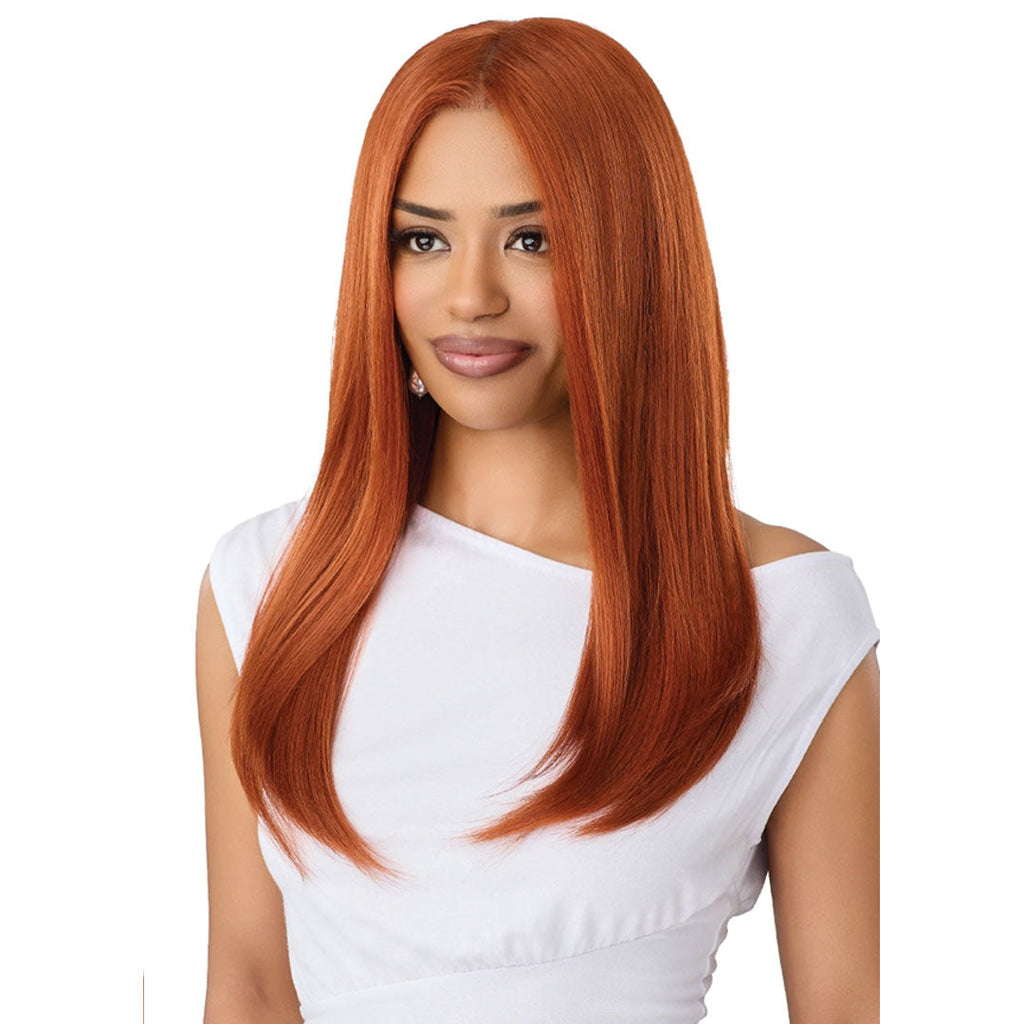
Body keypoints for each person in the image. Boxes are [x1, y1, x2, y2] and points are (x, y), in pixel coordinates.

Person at [195, 17, 880, 1024]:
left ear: (630, 258)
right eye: (423, 239)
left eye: (532, 239)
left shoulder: (783, 611)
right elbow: (249, 989)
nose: (469, 295)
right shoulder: (268, 586)